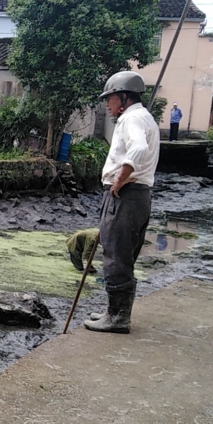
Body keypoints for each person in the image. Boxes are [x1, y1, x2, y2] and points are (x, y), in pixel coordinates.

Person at [84, 71, 160, 334]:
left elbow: (138, 149)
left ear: (124, 98)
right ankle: (114, 311)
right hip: (139, 196)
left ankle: (118, 318)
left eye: (111, 98)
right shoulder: (144, 117)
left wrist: (118, 181)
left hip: (125, 196)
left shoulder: (131, 119)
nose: (108, 104)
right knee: (124, 255)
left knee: (115, 255)